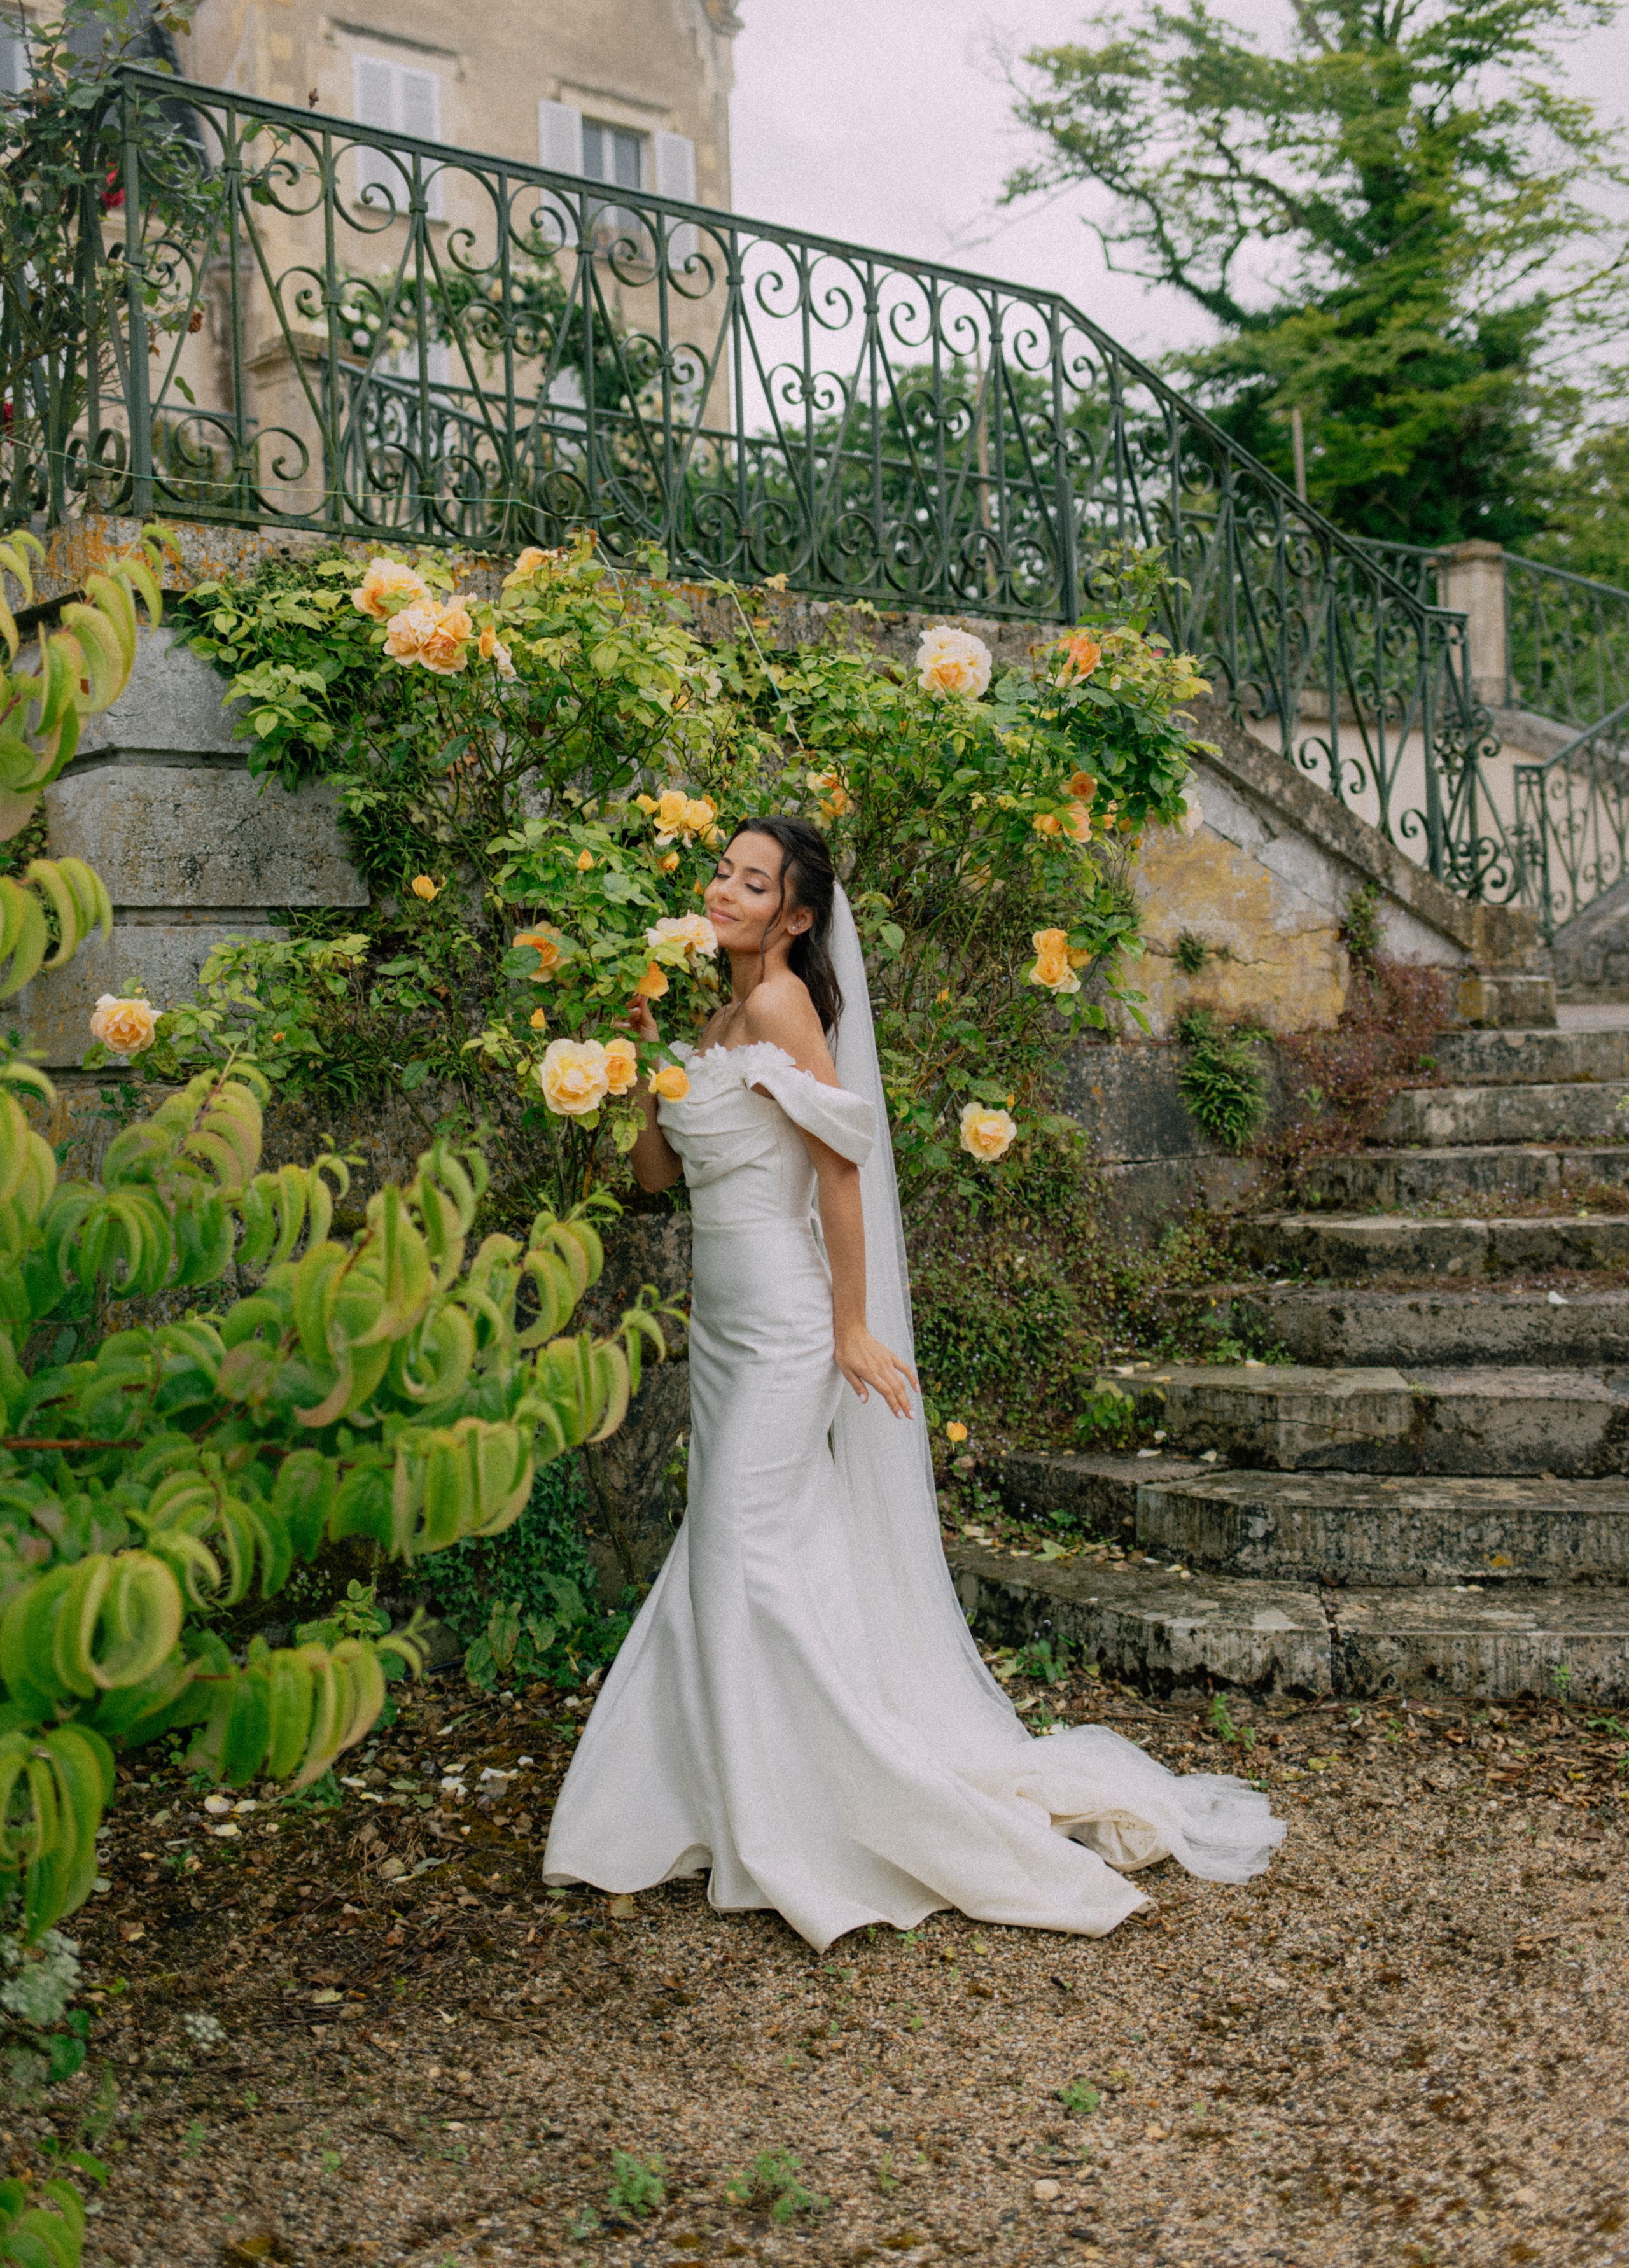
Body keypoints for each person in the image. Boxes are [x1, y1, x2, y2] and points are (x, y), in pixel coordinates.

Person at [542, 816, 1283, 1950]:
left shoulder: (784, 1003)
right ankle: (731, 1792)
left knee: (741, 1542)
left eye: (753, 881)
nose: (725, 890)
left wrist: (849, 1325)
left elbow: (841, 1169)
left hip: (791, 1325)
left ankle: (828, 1805)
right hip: (726, 1331)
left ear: (794, 916)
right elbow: (654, 1181)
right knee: (734, 1547)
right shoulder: (712, 1015)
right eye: (722, 872)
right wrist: (645, 1068)